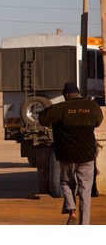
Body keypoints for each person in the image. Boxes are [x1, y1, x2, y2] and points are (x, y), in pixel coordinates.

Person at [39, 82, 103, 225]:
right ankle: (84, 225)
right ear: (78, 93)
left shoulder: (61, 108)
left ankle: (71, 210)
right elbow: (98, 121)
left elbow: (43, 119)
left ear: (66, 95)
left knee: (66, 182)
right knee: (85, 190)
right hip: (87, 155)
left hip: (67, 155)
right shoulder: (91, 106)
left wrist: (49, 108)